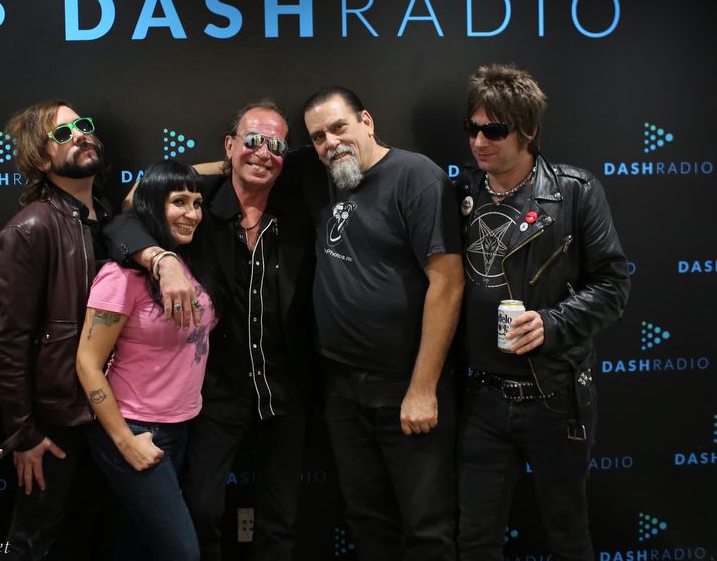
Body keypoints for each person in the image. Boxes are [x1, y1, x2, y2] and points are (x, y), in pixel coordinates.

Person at [105, 101, 315, 561]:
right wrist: (161, 260)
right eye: (252, 140)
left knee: (281, 519)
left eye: (275, 145)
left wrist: (250, 154)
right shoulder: (199, 204)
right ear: (229, 145)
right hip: (216, 393)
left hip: (286, 390)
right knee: (201, 509)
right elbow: (127, 213)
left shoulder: (300, 204)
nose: (263, 152)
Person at [454, 64, 630, 561]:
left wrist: (552, 323)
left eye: (494, 130)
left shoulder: (574, 191)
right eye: (472, 128)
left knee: (566, 535)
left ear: (528, 130)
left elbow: (613, 285)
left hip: (554, 394)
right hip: (482, 398)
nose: (479, 142)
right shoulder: (461, 193)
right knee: (475, 540)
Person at [298, 86, 464, 561]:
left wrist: (423, 388)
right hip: (341, 387)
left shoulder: (417, 176)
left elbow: (448, 285)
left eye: (339, 127)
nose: (330, 142)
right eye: (318, 137)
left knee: (427, 527)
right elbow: (248, 166)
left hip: (406, 385)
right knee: (366, 519)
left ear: (366, 121)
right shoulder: (319, 173)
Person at [76, 160, 218, 560]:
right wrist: (125, 441)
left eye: (197, 203)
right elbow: (87, 363)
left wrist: (231, 163)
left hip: (180, 426)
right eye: (179, 202)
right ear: (154, 205)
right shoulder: (121, 277)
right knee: (182, 552)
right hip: (134, 427)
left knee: (136, 545)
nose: (192, 214)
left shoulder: (187, 262)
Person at [0, 102, 112, 560]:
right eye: (63, 134)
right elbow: (9, 341)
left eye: (83, 126)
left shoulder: (107, 215)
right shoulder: (31, 228)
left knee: (93, 534)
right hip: (57, 422)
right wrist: (23, 434)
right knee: (35, 540)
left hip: (109, 409)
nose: (80, 135)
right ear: (41, 159)